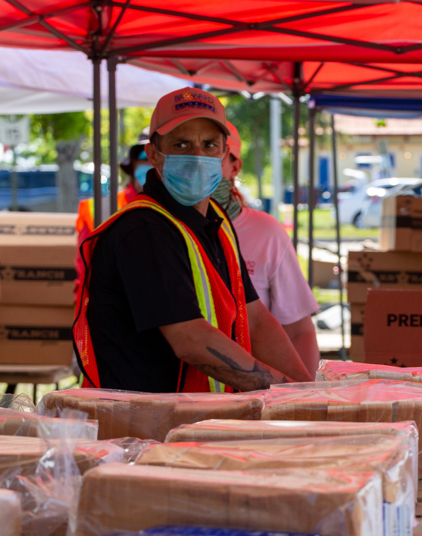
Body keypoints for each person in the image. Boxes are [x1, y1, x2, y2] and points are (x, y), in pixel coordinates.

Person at [74, 87, 311, 393]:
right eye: (181, 144)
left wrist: (305, 390)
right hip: (139, 430)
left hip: (193, 423)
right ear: (154, 154)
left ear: (225, 153)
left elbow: (254, 318)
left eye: (209, 145)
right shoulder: (142, 231)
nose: (197, 156)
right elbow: (191, 339)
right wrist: (283, 389)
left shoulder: (215, 221)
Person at [214, 121, 320, 378]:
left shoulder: (266, 232)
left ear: (234, 166)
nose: (198, 163)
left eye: (212, 151)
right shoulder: (159, 231)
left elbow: (298, 330)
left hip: (254, 395)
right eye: (184, 149)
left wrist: (303, 397)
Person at [74, 130, 151, 299]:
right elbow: (85, 269)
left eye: (159, 157)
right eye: (145, 157)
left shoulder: (182, 208)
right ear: (132, 164)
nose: (152, 163)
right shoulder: (97, 209)